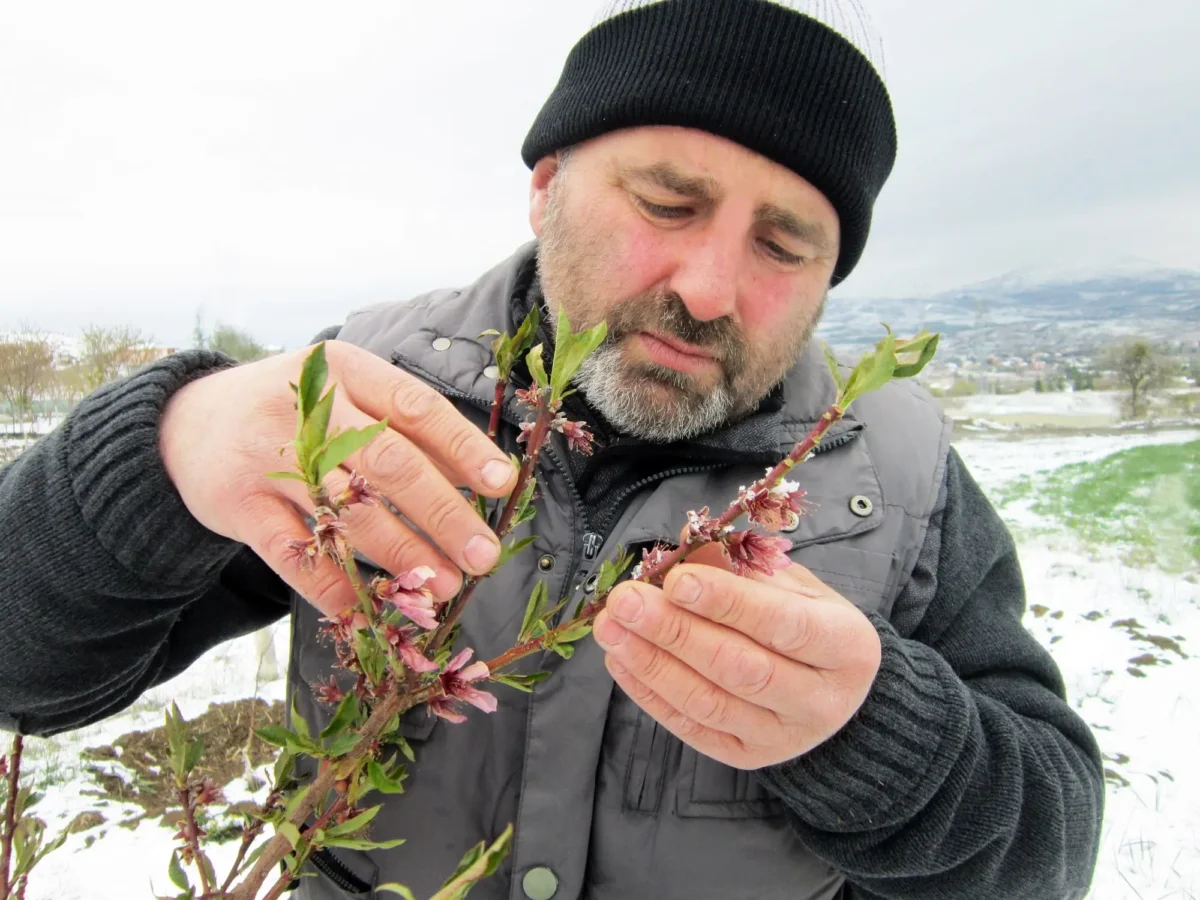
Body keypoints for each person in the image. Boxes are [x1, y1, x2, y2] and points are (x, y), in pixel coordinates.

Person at [0, 1, 1103, 898]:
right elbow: (22, 675)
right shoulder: (358, 399)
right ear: (546, 188)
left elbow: (1049, 854)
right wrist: (161, 455)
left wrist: (883, 739)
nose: (708, 290)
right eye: (667, 203)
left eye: (783, 245)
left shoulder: (900, 474)